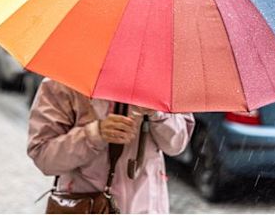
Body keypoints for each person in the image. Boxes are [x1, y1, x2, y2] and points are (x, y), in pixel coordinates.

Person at [28, 78, 195, 214]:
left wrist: (158, 114)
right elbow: (44, 156)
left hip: (146, 206)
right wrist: (94, 134)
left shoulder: (165, 79)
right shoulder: (63, 81)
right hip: (87, 206)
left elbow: (177, 145)